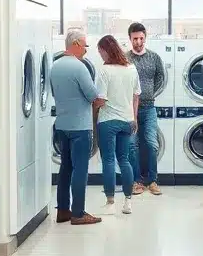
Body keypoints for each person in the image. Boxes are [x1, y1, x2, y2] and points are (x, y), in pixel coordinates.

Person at [50, 29, 106, 226]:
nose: (85, 51)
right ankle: (78, 213)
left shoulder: (54, 66)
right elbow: (93, 96)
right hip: (80, 127)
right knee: (80, 170)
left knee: (65, 169)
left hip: (62, 124)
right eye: (84, 46)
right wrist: (100, 102)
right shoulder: (79, 67)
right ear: (75, 44)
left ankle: (63, 211)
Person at [94, 35, 140, 216]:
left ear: (106, 50)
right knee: (124, 159)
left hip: (108, 121)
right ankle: (128, 202)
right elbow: (137, 96)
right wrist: (134, 118)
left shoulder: (104, 70)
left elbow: (101, 99)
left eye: (100, 52)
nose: (100, 56)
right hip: (127, 120)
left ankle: (110, 202)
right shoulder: (131, 68)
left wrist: (91, 109)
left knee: (108, 160)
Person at [126, 22, 167, 196]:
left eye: (141, 38)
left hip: (149, 107)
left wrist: (150, 93)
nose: (138, 41)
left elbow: (160, 77)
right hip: (129, 108)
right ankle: (136, 182)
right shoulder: (124, 58)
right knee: (132, 145)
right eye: (135, 39)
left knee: (151, 143)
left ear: (145, 38)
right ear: (130, 39)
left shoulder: (154, 57)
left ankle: (152, 181)